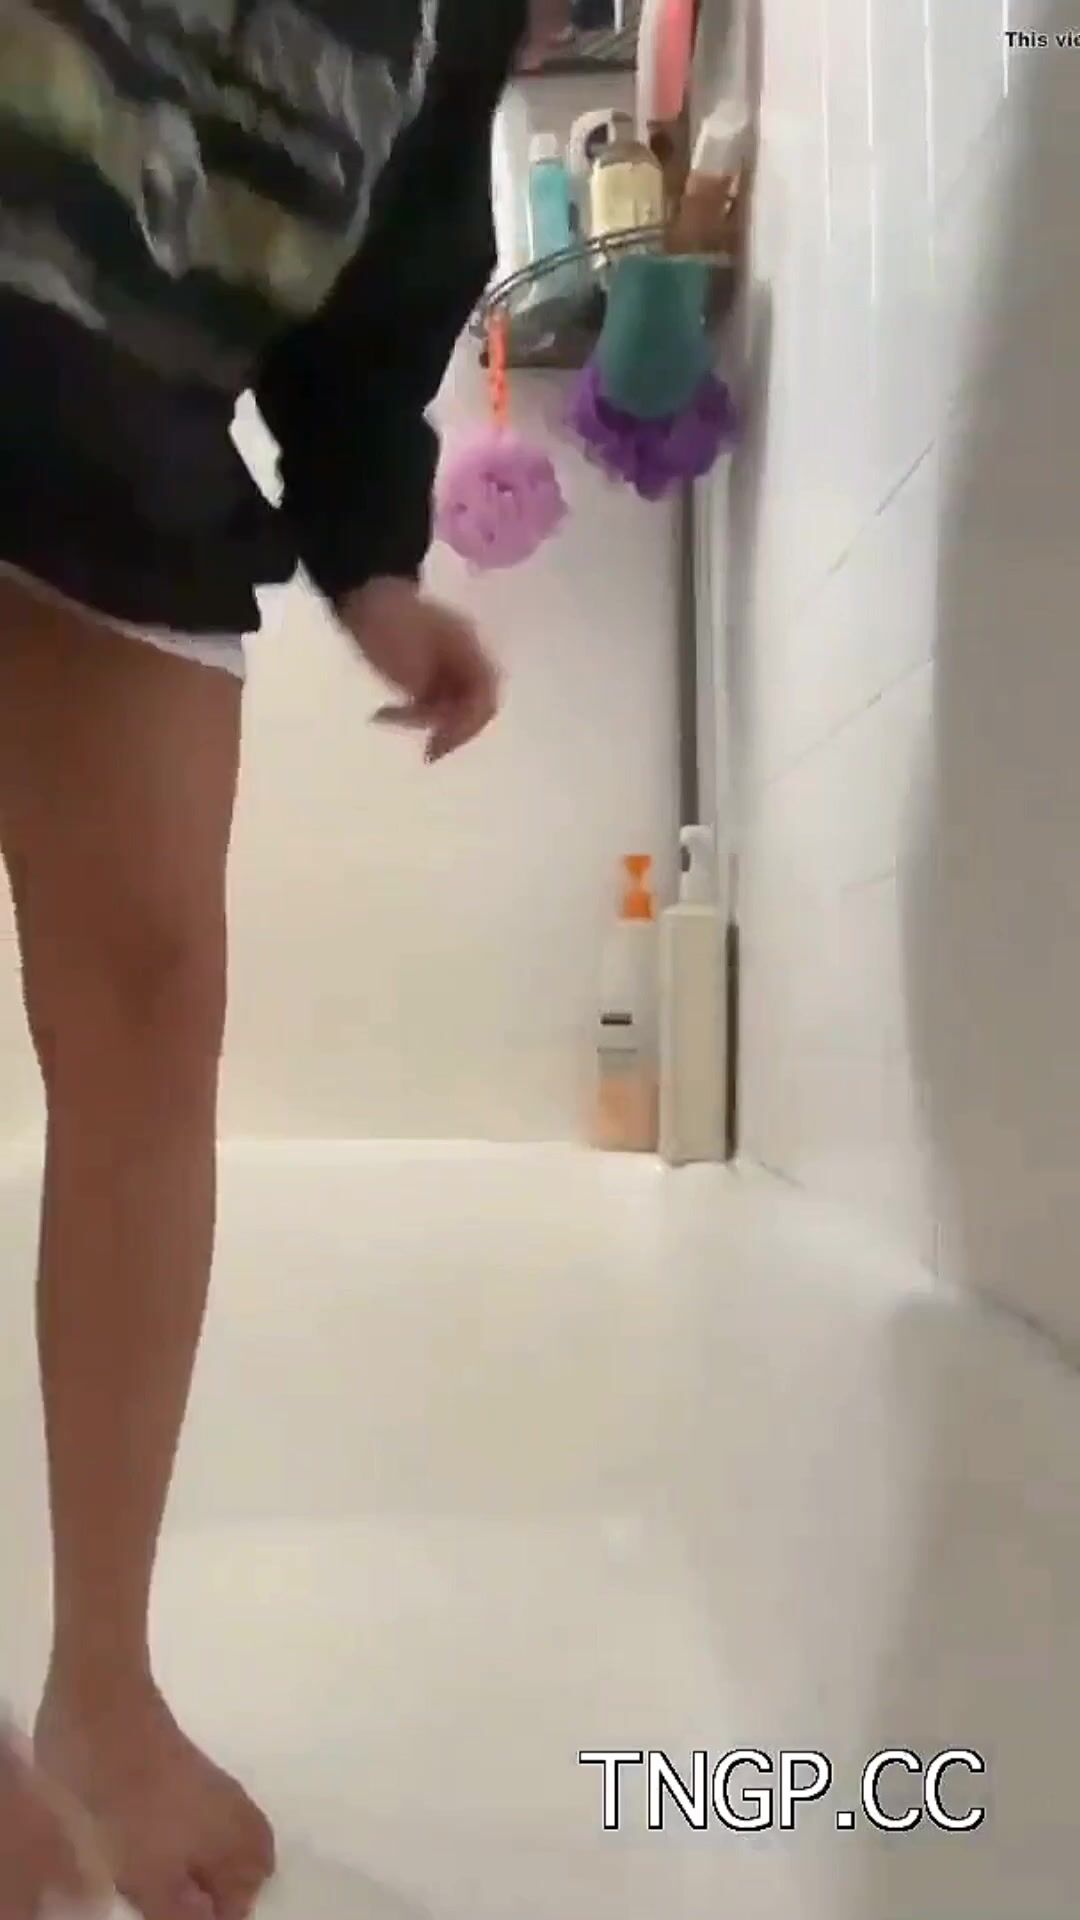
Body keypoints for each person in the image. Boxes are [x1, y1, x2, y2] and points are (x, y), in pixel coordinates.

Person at [0, 2, 567, 1917]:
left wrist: (377, 563)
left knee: (156, 1006)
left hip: (128, 445)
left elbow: (388, 281)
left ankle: (102, 1684)